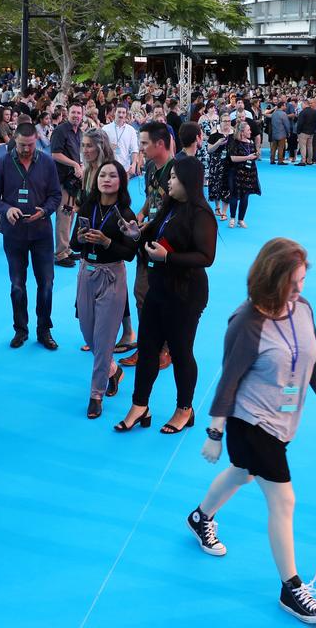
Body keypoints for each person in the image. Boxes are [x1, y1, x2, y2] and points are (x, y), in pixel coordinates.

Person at [189, 238, 316, 625]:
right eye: (292, 284)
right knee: (284, 500)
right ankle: (291, 589)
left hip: (284, 420)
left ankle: (200, 517)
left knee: (243, 473)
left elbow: (313, 360)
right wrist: (214, 432)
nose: (299, 290)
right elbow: (228, 380)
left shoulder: (304, 309)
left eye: (302, 281)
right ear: (271, 280)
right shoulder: (246, 322)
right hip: (250, 421)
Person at [115, 157, 217, 435]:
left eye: (174, 177)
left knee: (181, 352)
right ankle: (140, 406)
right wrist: (137, 235)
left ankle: (185, 409)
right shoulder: (170, 207)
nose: (169, 181)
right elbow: (153, 237)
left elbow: (206, 257)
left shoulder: (201, 214)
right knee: (147, 348)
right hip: (158, 287)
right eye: (169, 176)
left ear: (188, 181)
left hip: (186, 294)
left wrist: (168, 257)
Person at [0, 122, 63, 350]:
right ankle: (20, 329)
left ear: (37, 141)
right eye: (21, 145)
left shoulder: (47, 162)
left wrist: (45, 211)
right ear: (14, 140)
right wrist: (6, 209)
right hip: (14, 233)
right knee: (17, 285)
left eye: (30, 145)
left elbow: (56, 195)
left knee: (47, 283)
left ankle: (44, 329)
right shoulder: (3, 163)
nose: (26, 149)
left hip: (41, 232)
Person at [71, 160, 138, 419]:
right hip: (86, 273)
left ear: (121, 181)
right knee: (88, 334)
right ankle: (113, 370)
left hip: (112, 275)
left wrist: (108, 241)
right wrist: (79, 240)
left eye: (112, 175)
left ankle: (95, 395)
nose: (106, 179)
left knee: (104, 339)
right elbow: (77, 247)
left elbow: (131, 253)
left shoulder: (126, 214)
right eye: (102, 175)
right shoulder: (87, 206)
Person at [118, 121, 175, 371]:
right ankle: (146, 345)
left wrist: (151, 225)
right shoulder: (151, 166)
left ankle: (165, 348)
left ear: (159, 144)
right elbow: (151, 199)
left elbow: (177, 210)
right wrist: (139, 218)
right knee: (141, 294)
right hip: (145, 239)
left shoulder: (178, 170)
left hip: (167, 244)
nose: (140, 148)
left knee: (163, 298)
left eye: (144, 143)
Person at [51, 103, 84, 266]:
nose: (76, 115)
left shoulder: (79, 133)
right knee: (64, 215)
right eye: (73, 112)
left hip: (74, 181)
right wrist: (75, 165)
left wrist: (80, 165)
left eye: (79, 113)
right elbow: (55, 154)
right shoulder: (60, 131)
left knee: (70, 214)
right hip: (62, 180)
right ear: (67, 114)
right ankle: (60, 253)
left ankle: (67, 248)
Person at [227, 121, 261, 229]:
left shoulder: (250, 142)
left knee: (245, 196)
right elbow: (232, 158)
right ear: (242, 132)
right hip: (236, 172)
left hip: (249, 172)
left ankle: (241, 219)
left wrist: (255, 155)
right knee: (234, 195)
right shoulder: (234, 142)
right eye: (248, 130)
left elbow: (252, 154)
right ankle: (232, 218)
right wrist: (248, 158)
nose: (250, 132)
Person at [207, 117, 232, 221]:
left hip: (229, 163)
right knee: (215, 184)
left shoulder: (233, 135)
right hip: (216, 163)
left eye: (229, 121)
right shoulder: (214, 135)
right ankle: (217, 208)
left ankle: (224, 212)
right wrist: (218, 143)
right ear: (220, 122)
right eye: (225, 121)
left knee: (227, 186)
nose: (227, 123)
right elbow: (209, 150)